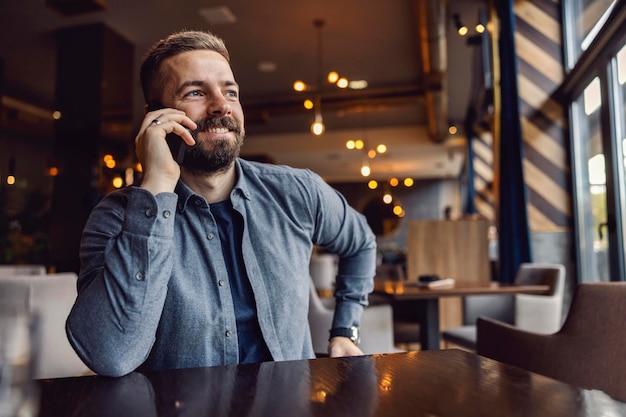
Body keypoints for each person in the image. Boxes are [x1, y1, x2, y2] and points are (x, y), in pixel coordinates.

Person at [65, 30, 377, 377]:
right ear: (156, 115)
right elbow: (111, 355)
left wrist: (345, 330)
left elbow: (360, 241)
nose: (222, 105)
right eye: (196, 92)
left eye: (230, 92)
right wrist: (155, 188)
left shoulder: (297, 190)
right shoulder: (117, 217)